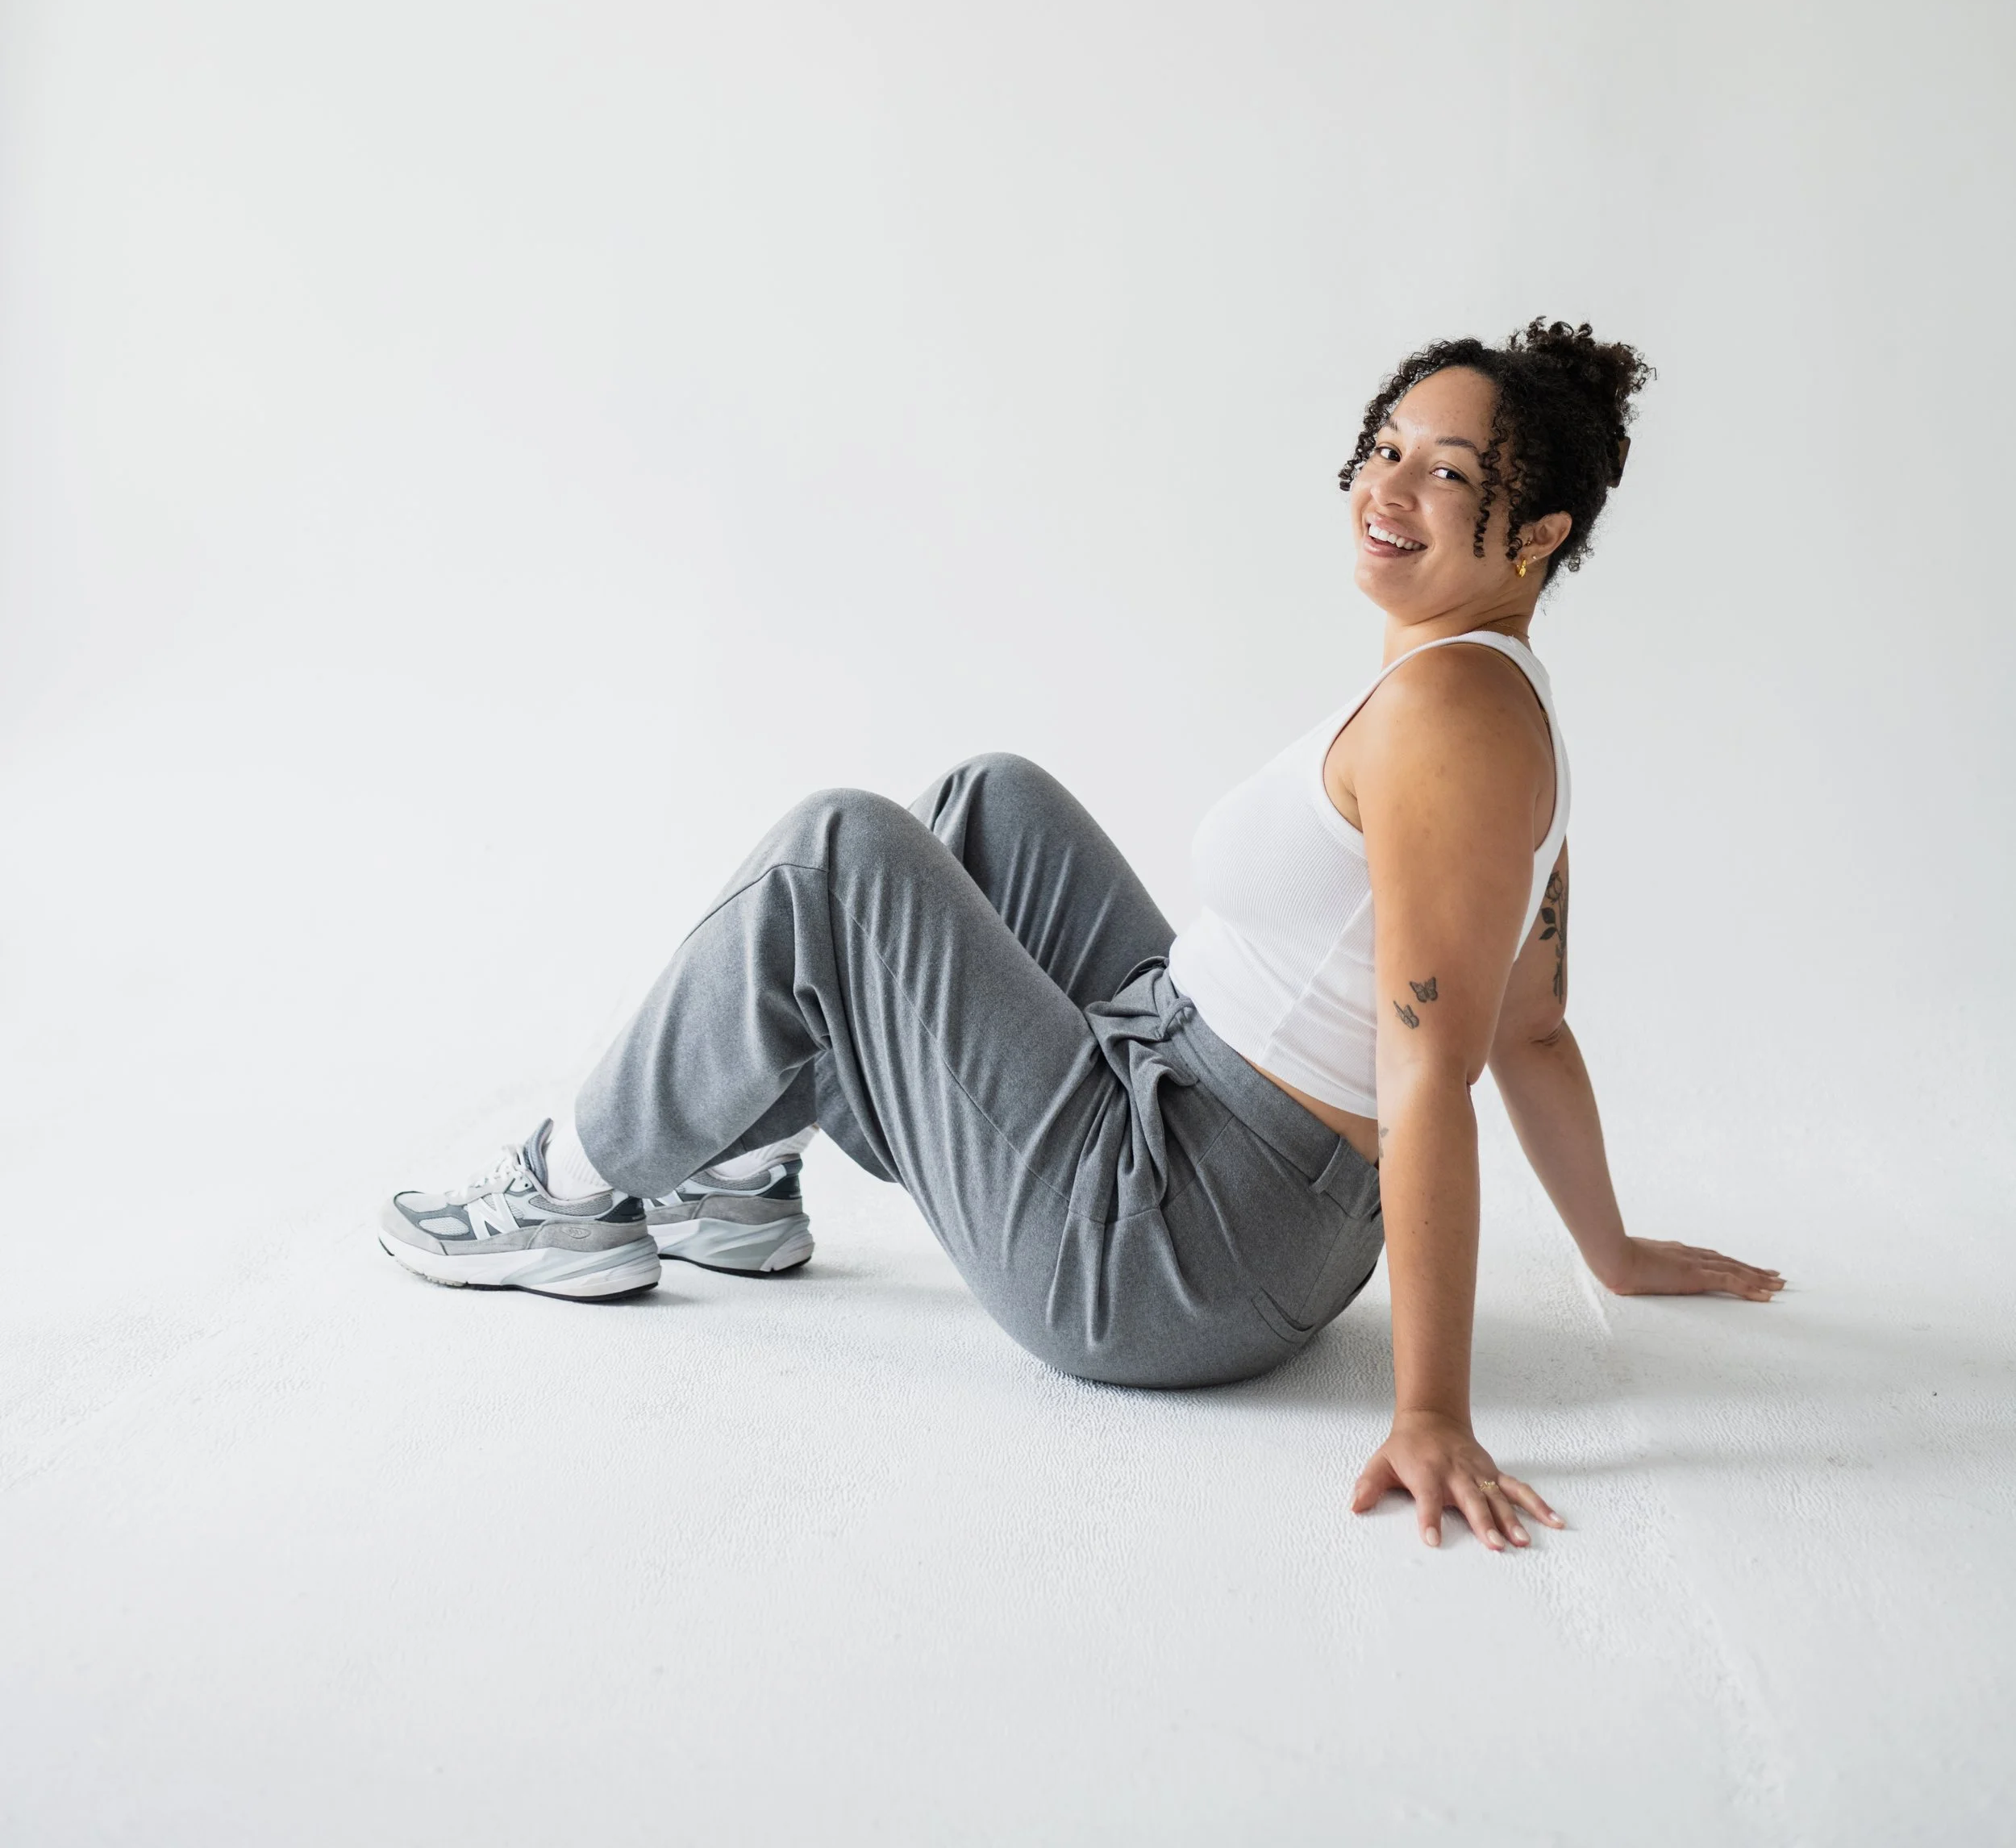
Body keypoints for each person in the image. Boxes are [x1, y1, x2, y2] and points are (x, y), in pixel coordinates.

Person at [381, 317, 1781, 1550]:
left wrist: (1432, 1410)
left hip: (1172, 1242)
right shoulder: (1489, 690)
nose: (1388, 487)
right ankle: (740, 1178)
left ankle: (561, 1192)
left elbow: (1438, 1070)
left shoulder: (1447, 728)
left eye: (1449, 473)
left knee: (839, 852)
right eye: (1388, 443)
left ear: (1537, 537)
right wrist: (1613, 1249)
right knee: (993, 805)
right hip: (1200, 1117)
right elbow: (1533, 1021)